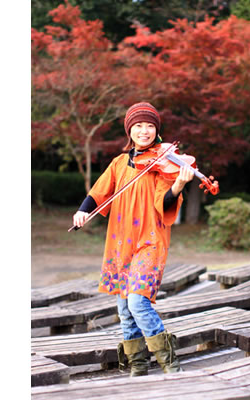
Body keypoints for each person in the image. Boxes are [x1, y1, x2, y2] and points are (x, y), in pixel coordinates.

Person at [72, 102, 194, 376]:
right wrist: (83, 211)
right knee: (124, 309)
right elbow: (99, 191)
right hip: (120, 242)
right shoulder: (119, 163)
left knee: (138, 302)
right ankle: (138, 365)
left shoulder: (162, 164)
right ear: (130, 130)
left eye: (150, 126)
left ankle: (170, 363)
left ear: (157, 130)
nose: (144, 131)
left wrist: (178, 184)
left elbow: (165, 201)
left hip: (150, 240)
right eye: (138, 125)